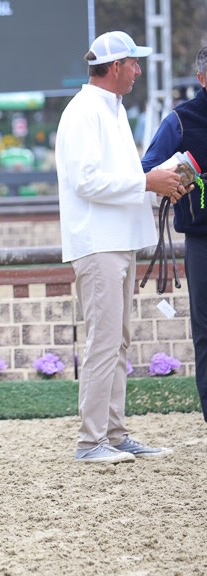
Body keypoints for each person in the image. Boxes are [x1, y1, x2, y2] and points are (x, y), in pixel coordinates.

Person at [56, 30, 186, 464]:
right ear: (115, 67)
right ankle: (91, 440)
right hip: (98, 243)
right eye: (133, 63)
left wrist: (165, 177)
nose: (138, 70)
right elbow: (86, 181)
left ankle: (113, 431)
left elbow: (116, 176)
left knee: (118, 340)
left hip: (117, 240)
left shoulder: (110, 109)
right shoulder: (84, 112)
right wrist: (147, 181)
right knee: (104, 340)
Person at [141, 46, 207, 425]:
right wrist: (179, 173)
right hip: (203, 241)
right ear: (201, 79)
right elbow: (148, 170)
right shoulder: (180, 121)